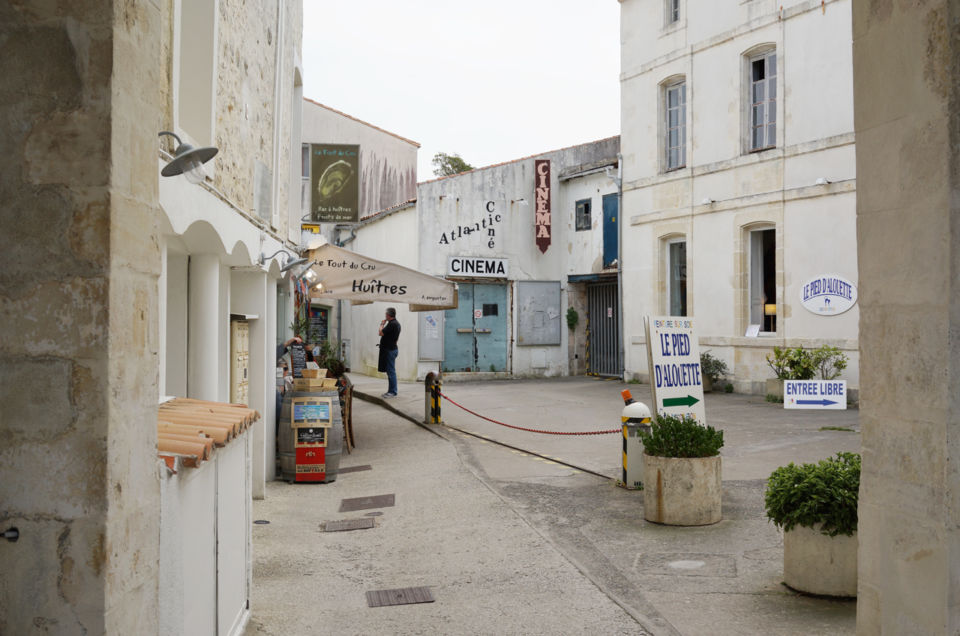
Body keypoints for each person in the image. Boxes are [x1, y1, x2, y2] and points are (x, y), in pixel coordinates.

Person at [377, 307, 401, 398]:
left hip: (390, 350)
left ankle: (393, 391)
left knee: (391, 371)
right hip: (392, 349)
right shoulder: (396, 324)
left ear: (388, 315)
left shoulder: (392, 324)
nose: (385, 316)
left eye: (386, 314)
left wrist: (382, 324)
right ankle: (390, 391)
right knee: (390, 371)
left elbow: (380, 332)